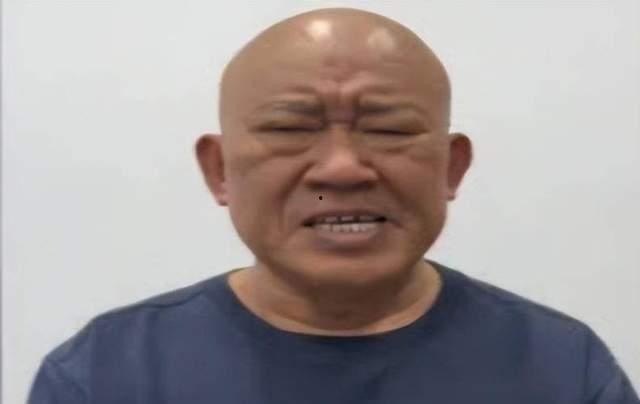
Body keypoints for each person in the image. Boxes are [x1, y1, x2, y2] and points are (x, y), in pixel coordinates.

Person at [28, 7, 638, 403]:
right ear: (219, 170)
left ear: (451, 167)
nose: (341, 170)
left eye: (390, 129)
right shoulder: (106, 375)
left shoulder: (562, 370)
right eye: (291, 129)